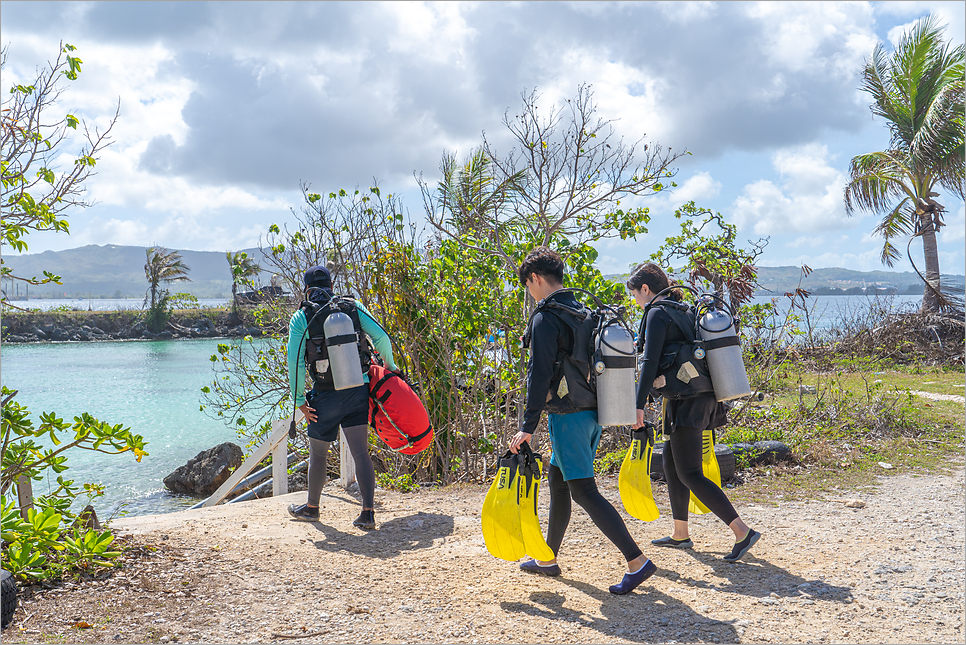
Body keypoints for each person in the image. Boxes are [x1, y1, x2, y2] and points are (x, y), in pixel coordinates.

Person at [509, 247, 656, 595]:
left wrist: (527, 426)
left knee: (583, 489)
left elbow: (540, 374)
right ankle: (547, 558)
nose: (530, 293)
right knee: (558, 479)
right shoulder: (582, 311)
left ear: (535, 279)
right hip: (593, 410)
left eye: (528, 286)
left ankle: (637, 561)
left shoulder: (547, 318)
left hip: (569, 414)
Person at [627, 261, 760, 562]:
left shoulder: (658, 313)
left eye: (635, 295)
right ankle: (680, 533)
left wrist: (638, 403)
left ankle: (742, 531)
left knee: (690, 472)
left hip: (687, 401)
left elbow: (649, 361)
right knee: (673, 464)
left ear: (646, 289)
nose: (636, 301)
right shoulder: (684, 309)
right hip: (698, 396)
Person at [286, 265, 398, 529]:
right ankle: (368, 514)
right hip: (358, 389)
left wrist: (299, 400)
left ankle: (312, 508)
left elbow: (295, 362)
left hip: (325, 396)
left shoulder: (301, 317)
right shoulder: (352, 307)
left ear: (307, 289)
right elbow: (381, 337)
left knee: (319, 455)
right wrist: (390, 368)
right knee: (361, 452)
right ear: (332, 285)